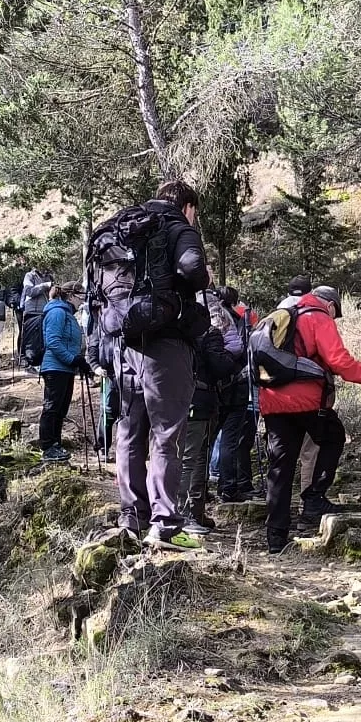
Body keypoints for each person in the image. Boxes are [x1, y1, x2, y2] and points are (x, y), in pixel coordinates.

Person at [95, 181, 211, 552]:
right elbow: (192, 267)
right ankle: (164, 523)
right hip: (166, 345)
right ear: (188, 205)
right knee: (167, 433)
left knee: (128, 432)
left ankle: (131, 517)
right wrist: (198, 281)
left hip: (123, 343)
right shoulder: (178, 225)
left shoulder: (120, 226)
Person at [259, 284, 361, 554]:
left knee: (280, 468)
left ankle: (275, 537)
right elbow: (339, 361)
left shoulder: (280, 316)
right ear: (331, 305)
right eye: (335, 313)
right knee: (333, 436)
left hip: (272, 400)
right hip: (306, 400)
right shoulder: (318, 316)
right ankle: (314, 498)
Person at [178, 289, 239, 533]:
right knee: (191, 458)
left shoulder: (179, 334)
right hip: (200, 400)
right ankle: (184, 515)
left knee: (196, 456)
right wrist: (233, 360)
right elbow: (220, 366)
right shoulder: (209, 335)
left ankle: (195, 511)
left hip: (182, 399)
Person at [212, 287, 259, 503]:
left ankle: (205, 487)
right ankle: (229, 488)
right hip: (239, 384)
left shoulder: (210, 316)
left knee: (212, 438)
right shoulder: (242, 319)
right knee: (230, 439)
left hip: (215, 386)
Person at [36, 282, 84, 464]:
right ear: (71, 296)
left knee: (61, 409)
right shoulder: (57, 312)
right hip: (55, 367)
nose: (83, 300)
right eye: (81, 295)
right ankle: (48, 447)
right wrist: (73, 359)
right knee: (52, 407)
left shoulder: (68, 314)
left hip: (65, 368)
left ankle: (55, 444)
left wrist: (79, 361)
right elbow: (53, 342)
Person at [16, 266, 53, 371]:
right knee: (32, 340)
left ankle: (42, 364)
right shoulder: (29, 276)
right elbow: (29, 291)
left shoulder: (49, 277)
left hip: (45, 311)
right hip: (33, 311)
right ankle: (30, 364)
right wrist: (44, 286)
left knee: (43, 339)